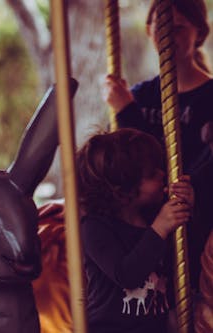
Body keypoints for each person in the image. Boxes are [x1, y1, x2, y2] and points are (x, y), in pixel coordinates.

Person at [103, 0, 213, 294]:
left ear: (199, 33)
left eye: (178, 28)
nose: (168, 37)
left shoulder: (209, 96)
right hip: (149, 221)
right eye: (161, 28)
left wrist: (127, 112)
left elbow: (185, 168)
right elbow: (130, 165)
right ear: (149, 32)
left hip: (199, 218)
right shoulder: (138, 96)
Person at [77, 128, 194, 333]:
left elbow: (185, 257)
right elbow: (126, 275)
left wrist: (187, 209)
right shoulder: (94, 229)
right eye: (151, 174)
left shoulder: (153, 214)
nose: (162, 174)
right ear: (123, 191)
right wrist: (160, 228)